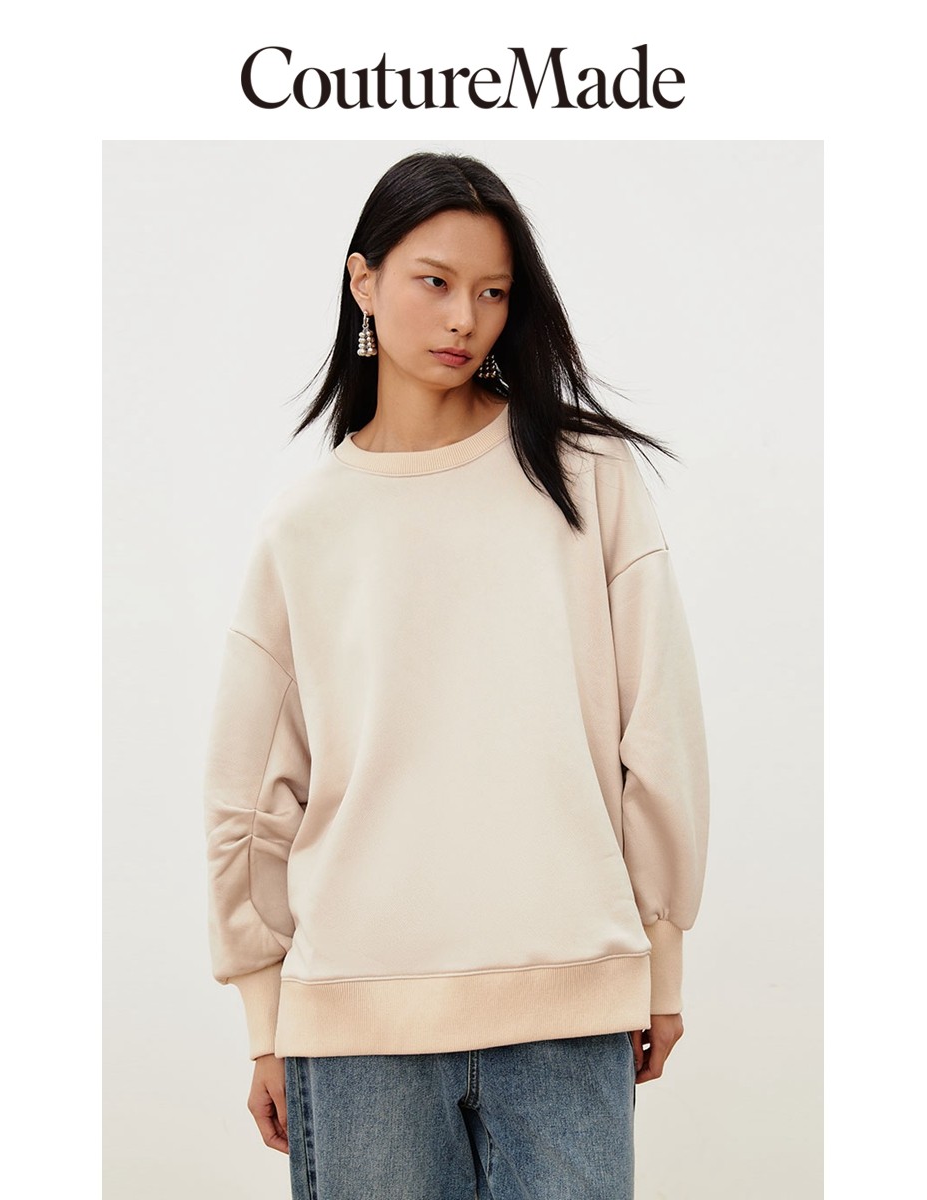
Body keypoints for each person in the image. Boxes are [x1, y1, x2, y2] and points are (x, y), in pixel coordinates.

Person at [203, 151, 711, 1200]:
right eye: (434, 282)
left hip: (569, 1007)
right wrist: (265, 1016)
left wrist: (659, 957)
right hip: (357, 1025)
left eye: (492, 292)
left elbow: (657, 724)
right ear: (363, 281)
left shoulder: (585, 478)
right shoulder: (307, 527)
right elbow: (249, 795)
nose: (463, 319)